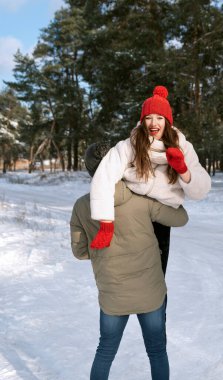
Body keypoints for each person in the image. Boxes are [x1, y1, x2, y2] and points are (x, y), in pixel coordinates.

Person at [70, 142, 189, 380]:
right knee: (157, 351)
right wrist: (164, 191)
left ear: (89, 170)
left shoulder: (83, 207)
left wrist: (103, 253)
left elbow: (80, 251)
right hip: (151, 294)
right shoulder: (141, 197)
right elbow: (181, 218)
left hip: (113, 295)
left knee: (105, 352)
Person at [89, 85, 211, 250]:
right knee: (133, 267)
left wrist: (183, 170)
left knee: (157, 272)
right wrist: (105, 222)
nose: (154, 123)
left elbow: (201, 191)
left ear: (167, 121)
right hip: (132, 210)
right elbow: (105, 175)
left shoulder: (183, 147)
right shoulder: (130, 145)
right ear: (142, 121)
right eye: (148, 118)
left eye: (159, 118)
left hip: (162, 217)